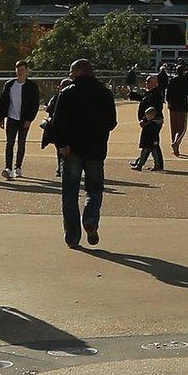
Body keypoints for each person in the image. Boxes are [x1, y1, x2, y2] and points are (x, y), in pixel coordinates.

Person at [45, 59, 118, 249]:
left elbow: (58, 122)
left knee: (70, 192)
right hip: (96, 148)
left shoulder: (68, 93)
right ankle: (91, 218)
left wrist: (62, 144)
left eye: (71, 71)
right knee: (94, 188)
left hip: (72, 149)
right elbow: (112, 122)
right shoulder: (104, 93)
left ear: (78, 72)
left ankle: (72, 235)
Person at [0, 61, 41, 181]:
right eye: (18, 69)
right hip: (11, 118)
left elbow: (34, 104)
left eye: (22, 69)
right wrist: (1, 117)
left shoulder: (32, 86)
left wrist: (29, 119)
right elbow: (3, 101)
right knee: (9, 143)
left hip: (24, 119)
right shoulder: (9, 84)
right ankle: (8, 168)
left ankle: (18, 167)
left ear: (27, 70)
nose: (20, 72)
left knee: (21, 142)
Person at [165, 63, 188, 155]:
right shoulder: (185, 80)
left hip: (172, 105)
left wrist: (168, 102)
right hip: (182, 105)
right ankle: (176, 143)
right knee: (182, 128)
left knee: (173, 127)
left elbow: (168, 93)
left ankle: (174, 146)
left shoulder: (172, 80)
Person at [132, 106, 165, 171]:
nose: (146, 116)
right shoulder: (148, 122)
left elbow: (155, 134)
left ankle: (143, 165)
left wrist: (155, 141)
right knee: (147, 153)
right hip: (147, 141)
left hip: (150, 141)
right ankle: (140, 165)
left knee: (152, 154)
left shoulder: (153, 124)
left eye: (147, 115)